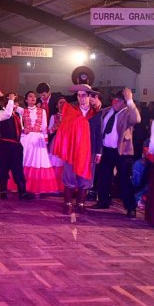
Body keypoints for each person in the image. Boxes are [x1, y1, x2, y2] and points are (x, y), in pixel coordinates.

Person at [52, 84, 102, 214]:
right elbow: (64, 130)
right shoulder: (71, 112)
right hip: (72, 150)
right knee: (69, 176)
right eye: (79, 96)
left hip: (89, 150)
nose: (81, 98)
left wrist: (99, 152)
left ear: (90, 96)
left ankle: (81, 204)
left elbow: (98, 134)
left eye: (84, 95)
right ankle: (68, 204)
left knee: (85, 177)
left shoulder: (96, 114)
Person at [91, 88, 141, 216]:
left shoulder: (128, 113)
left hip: (122, 152)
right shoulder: (106, 111)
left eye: (118, 101)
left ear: (124, 103)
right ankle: (103, 202)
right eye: (114, 99)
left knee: (124, 179)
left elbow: (137, 119)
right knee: (103, 177)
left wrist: (130, 100)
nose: (115, 102)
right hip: (106, 150)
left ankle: (130, 207)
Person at [20, 91, 58, 195]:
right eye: (30, 96)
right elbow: (18, 124)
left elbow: (44, 126)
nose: (33, 98)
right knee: (25, 161)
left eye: (34, 96)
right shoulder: (22, 111)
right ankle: (22, 186)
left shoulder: (42, 111)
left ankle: (36, 187)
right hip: (26, 139)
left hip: (38, 139)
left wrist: (45, 140)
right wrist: (23, 130)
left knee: (37, 162)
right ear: (26, 99)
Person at [0, 93, 33, 200]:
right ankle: (3, 191)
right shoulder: (0, 113)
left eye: (16, 102)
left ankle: (22, 192)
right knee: (3, 168)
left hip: (16, 146)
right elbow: (7, 114)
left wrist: (24, 131)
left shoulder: (17, 115)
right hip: (4, 145)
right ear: (7, 103)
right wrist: (11, 100)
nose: (16, 104)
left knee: (18, 168)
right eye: (14, 102)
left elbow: (20, 127)